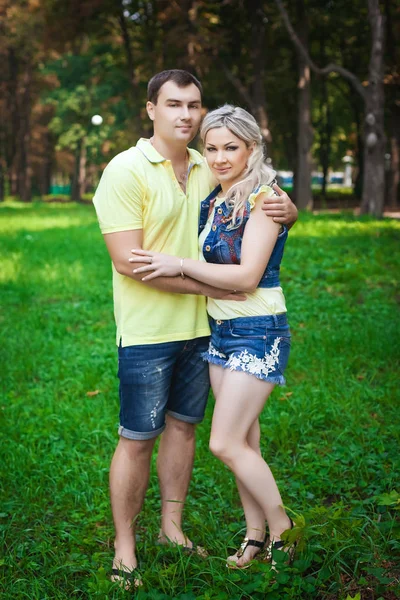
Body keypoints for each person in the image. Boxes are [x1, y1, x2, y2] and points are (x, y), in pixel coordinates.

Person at [93, 71, 297, 585]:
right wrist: (214, 288)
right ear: (151, 109)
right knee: (138, 436)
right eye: (173, 104)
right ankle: (124, 548)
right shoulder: (125, 170)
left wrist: (289, 210)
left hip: (209, 330)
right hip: (147, 329)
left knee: (186, 429)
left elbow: (260, 205)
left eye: (194, 104)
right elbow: (128, 261)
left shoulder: (213, 166)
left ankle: (172, 528)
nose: (185, 114)